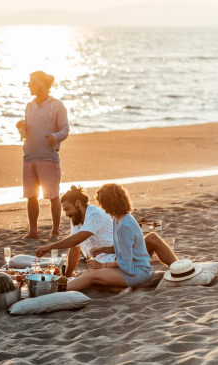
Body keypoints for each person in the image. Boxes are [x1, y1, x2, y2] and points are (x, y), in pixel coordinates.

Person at [35, 186, 179, 277]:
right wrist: (67, 275)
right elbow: (74, 248)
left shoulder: (95, 214)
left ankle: (180, 268)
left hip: (119, 258)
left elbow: (77, 239)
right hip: (103, 264)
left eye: (67, 209)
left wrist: (50, 247)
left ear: (78, 204)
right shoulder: (77, 219)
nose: (66, 214)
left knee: (152, 237)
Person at [65, 184, 153, 292]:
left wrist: (103, 265)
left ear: (112, 203)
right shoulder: (118, 219)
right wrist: (102, 250)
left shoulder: (124, 225)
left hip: (136, 272)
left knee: (90, 276)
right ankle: (118, 289)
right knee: (82, 275)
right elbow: (121, 247)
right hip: (130, 269)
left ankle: (57, 289)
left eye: (103, 204)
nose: (103, 209)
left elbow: (125, 262)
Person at [16, 71, 69, 241]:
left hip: (48, 156)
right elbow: (28, 130)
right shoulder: (29, 106)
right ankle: (33, 230)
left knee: (53, 195)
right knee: (31, 196)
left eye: (32, 82)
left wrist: (54, 137)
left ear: (42, 84)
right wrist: (22, 126)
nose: (29, 85)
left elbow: (65, 130)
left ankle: (55, 231)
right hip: (29, 155)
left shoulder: (57, 105)